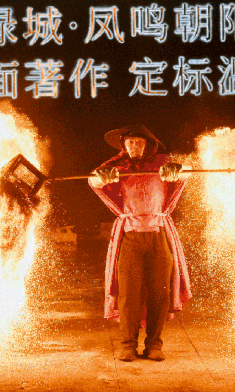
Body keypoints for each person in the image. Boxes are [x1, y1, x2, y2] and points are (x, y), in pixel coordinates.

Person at [89, 124, 192, 362]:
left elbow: (186, 172)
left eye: (138, 142)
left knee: (160, 294)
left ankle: (155, 345)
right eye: (130, 142)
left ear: (148, 146)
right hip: (130, 236)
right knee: (128, 294)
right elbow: (93, 180)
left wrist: (178, 170)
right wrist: (100, 177)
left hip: (159, 234)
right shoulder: (115, 168)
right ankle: (128, 345)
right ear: (124, 146)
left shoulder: (163, 165)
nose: (134, 146)